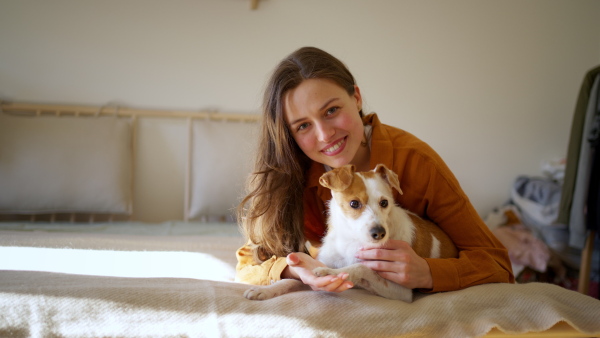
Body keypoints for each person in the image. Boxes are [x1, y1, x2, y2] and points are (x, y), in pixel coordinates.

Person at [235, 46, 514, 294]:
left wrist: (429, 273)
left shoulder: (417, 162)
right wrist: (293, 270)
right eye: (303, 126)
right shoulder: (289, 175)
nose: (324, 135)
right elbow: (248, 264)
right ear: (290, 135)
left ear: (356, 98)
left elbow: (498, 264)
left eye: (331, 110)